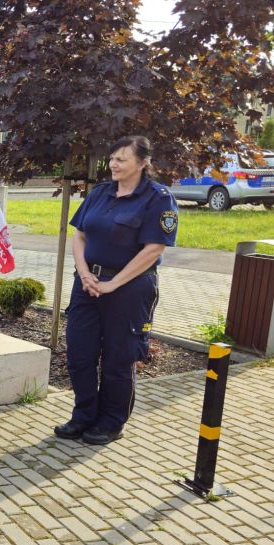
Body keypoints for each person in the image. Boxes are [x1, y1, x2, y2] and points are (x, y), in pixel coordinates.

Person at [55, 135, 178, 445]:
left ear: (143, 162)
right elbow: (79, 236)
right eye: (112, 157)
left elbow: (153, 249)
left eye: (122, 158)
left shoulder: (157, 198)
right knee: (79, 353)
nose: (114, 163)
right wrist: (84, 274)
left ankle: (111, 422)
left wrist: (113, 283)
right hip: (87, 284)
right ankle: (84, 415)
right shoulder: (100, 193)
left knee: (118, 358)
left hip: (130, 290)